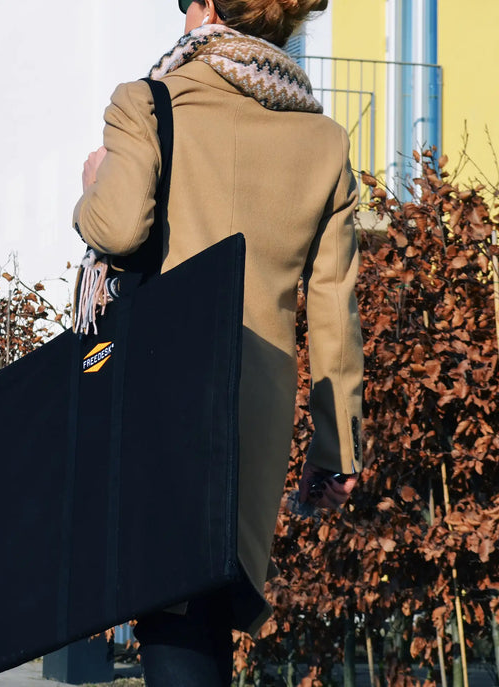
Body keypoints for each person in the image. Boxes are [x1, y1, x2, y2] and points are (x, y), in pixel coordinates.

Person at [72, 0, 364, 684]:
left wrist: (91, 186)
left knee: (171, 617)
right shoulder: (323, 142)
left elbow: (117, 228)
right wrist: (336, 448)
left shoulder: (150, 103)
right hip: (255, 410)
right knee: (204, 612)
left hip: (160, 397)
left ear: (205, 7)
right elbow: (333, 310)